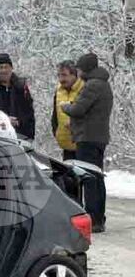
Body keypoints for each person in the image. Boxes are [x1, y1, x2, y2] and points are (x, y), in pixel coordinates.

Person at [63, 52, 113, 232]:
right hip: (99, 138)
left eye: (79, 68)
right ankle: (99, 217)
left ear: (86, 69)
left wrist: (65, 106)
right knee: (98, 178)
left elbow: (78, 109)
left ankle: (92, 218)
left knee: (89, 179)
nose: (78, 72)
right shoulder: (104, 85)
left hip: (88, 138)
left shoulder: (91, 86)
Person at [0, 53, 35, 139]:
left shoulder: (20, 87)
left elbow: (29, 113)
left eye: (6, 67)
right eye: (1, 67)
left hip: (20, 136)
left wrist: (28, 134)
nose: (4, 70)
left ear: (11, 68)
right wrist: (5, 120)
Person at [51, 60, 84, 160]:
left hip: (84, 146)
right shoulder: (59, 91)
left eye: (64, 75)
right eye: (59, 75)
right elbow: (55, 115)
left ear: (74, 75)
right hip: (66, 146)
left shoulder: (85, 89)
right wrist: (56, 132)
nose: (61, 79)